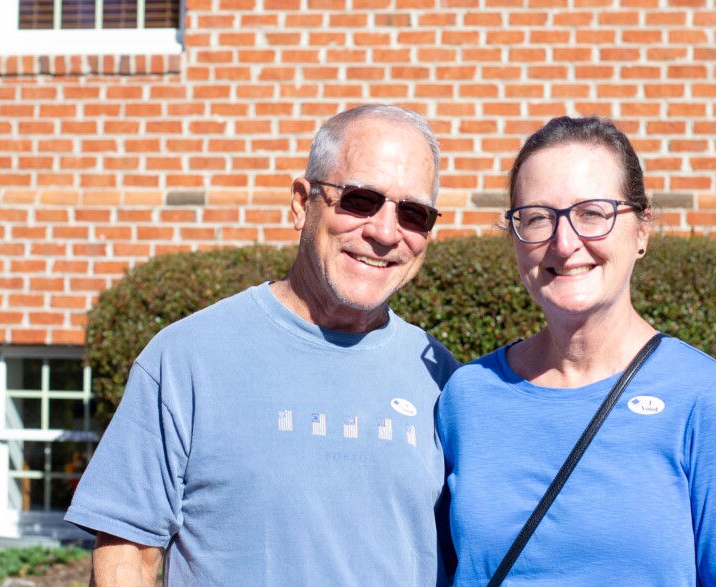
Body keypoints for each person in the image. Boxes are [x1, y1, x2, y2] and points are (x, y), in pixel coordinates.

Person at [65, 104, 460, 586]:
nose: (383, 232)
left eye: (414, 214)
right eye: (359, 199)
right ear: (301, 203)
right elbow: (128, 554)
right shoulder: (188, 358)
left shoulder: (440, 374)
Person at [436, 115, 716, 585]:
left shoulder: (702, 398)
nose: (564, 242)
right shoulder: (468, 396)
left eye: (593, 213)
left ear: (641, 230)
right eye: (538, 217)